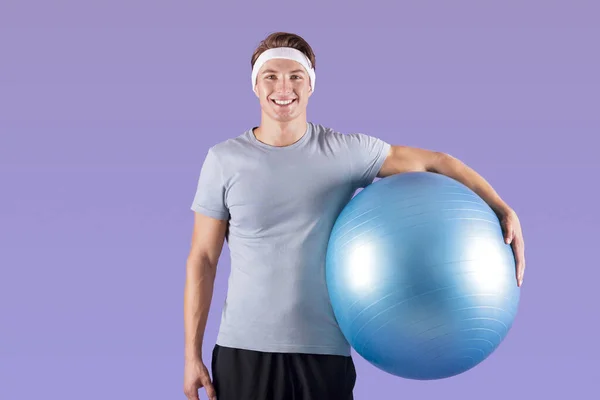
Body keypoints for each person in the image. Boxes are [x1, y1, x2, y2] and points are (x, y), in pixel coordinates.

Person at [183, 32, 525, 400]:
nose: (283, 87)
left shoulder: (343, 152)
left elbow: (435, 162)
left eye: (296, 76)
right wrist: (191, 355)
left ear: (311, 85)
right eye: (271, 76)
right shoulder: (224, 160)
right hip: (243, 351)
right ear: (255, 85)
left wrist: (502, 208)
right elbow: (203, 259)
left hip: (324, 353)